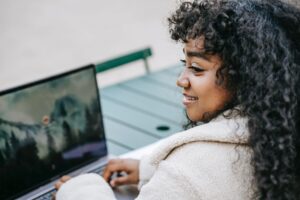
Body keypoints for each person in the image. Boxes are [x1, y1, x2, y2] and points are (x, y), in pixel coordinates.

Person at [54, 0, 300, 199]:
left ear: (244, 76)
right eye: (185, 64)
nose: (181, 80)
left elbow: (195, 179)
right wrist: (149, 169)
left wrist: (82, 189)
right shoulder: (281, 133)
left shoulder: (186, 174)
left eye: (196, 68)